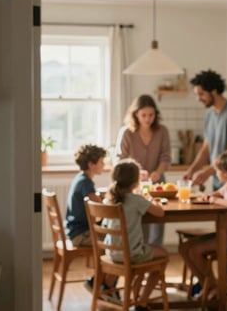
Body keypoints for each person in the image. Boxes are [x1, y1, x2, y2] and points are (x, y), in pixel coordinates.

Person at [179, 150, 227, 300]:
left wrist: (215, 201)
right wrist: (207, 196)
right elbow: (218, 194)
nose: (216, 174)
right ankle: (209, 285)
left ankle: (213, 288)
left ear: (225, 173)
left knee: (195, 251)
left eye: (217, 171)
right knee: (184, 248)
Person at [104, 158, 169, 311]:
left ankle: (135, 297)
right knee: (163, 256)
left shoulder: (109, 199)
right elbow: (160, 213)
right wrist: (152, 201)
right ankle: (141, 302)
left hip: (112, 253)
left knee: (146, 253)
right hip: (132, 254)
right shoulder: (136, 200)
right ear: (136, 181)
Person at [116, 94, 171, 246]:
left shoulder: (162, 131)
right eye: (144, 115)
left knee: (159, 219)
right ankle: (140, 251)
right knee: (139, 219)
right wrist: (137, 172)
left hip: (158, 184)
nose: (148, 119)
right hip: (134, 184)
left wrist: (157, 172)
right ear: (135, 114)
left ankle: (155, 253)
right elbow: (119, 159)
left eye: (151, 115)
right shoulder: (127, 133)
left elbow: (166, 157)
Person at [183, 69, 227, 191]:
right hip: (219, 182)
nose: (198, 99)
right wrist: (191, 170)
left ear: (214, 92)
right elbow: (205, 150)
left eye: (201, 94)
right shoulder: (210, 114)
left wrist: (206, 173)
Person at [64, 144, 117, 296]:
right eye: (101, 161)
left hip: (75, 231)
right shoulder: (85, 183)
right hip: (80, 235)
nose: (104, 165)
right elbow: (100, 208)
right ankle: (103, 285)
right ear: (91, 164)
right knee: (118, 242)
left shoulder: (82, 179)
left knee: (116, 241)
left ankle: (103, 284)